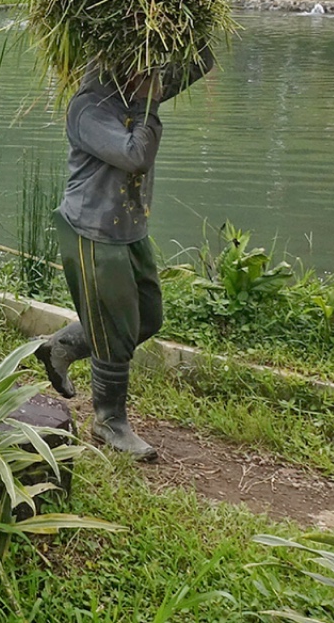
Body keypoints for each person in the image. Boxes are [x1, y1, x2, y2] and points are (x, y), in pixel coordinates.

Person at [36, 49, 215, 460]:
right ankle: (109, 422)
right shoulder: (89, 107)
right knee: (116, 335)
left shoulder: (134, 90)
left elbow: (200, 60)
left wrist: (178, 24)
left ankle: (62, 345)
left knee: (148, 319)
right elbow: (136, 156)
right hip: (93, 233)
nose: (150, 71)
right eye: (137, 61)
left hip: (131, 230)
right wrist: (149, 96)